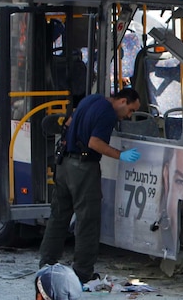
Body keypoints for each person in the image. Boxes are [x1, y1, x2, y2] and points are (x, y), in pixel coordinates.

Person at [39, 88, 142, 283]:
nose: (129, 116)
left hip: (64, 164)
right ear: (122, 101)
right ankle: (82, 273)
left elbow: (68, 123)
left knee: (59, 217)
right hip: (83, 168)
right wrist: (120, 155)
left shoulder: (91, 100)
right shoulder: (108, 113)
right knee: (88, 221)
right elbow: (95, 143)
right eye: (130, 110)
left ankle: (47, 264)